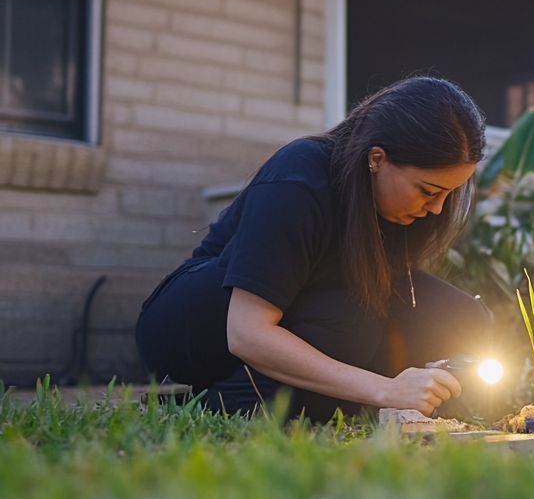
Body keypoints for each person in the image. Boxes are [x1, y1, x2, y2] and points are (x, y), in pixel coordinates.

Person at [136, 75, 491, 420]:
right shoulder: (301, 177)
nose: (437, 209)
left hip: (312, 307)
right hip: (199, 320)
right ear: (377, 159)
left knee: (462, 319)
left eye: (450, 193)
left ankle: (332, 400)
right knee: (350, 324)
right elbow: (246, 333)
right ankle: (219, 403)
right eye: (428, 191)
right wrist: (384, 389)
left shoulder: (397, 212)